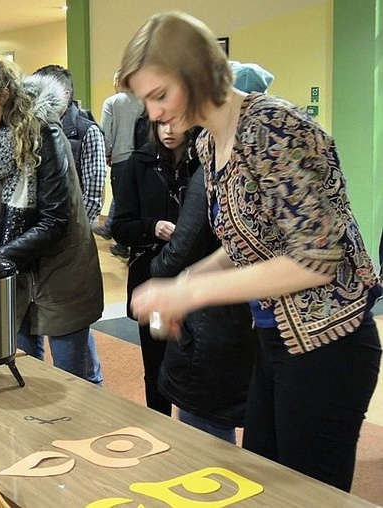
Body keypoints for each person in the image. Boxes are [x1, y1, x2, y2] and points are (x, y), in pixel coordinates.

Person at [123, 12, 381, 491]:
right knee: (265, 486)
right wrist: (181, 284)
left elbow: (316, 258)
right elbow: (242, 247)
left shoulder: (272, 128)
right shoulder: (211, 144)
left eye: (160, 95)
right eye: (146, 100)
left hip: (329, 342)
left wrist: (191, 294)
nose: (154, 114)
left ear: (197, 73)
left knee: (308, 496)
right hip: (275, 338)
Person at [0, 41, 104, 380]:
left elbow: (55, 220)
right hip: (17, 271)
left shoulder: (44, 133)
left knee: (75, 378)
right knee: (22, 371)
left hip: (62, 272)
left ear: (4, 95)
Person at [150, 61, 273, 443]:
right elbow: (238, 245)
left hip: (226, 324)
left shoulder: (241, 155)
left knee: (208, 437)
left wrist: (168, 278)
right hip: (249, 319)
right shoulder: (214, 152)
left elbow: (314, 257)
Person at [111, 115, 199, 415]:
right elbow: (120, 226)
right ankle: (158, 422)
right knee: (157, 357)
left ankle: (193, 430)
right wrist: (152, 227)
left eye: (176, 123)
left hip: (196, 278)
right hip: (154, 277)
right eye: (162, 124)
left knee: (196, 360)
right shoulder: (139, 163)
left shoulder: (201, 161)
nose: (169, 130)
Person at [32, 64, 106, 385]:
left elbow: (91, 196)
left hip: (69, 253)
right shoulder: (29, 134)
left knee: (77, 362)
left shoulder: (87, 132)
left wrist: (69, 233)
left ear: (63, 95)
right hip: (37, 262)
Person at [94, 70, 146, 258]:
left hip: (121, 159)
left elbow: (105, 133)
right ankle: (125, 241)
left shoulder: (112, 102)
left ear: (117, 81)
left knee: (123, 200)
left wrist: (108, 154)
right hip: (143, 158)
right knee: (137, 201)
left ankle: (122, 243)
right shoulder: (144, 101)